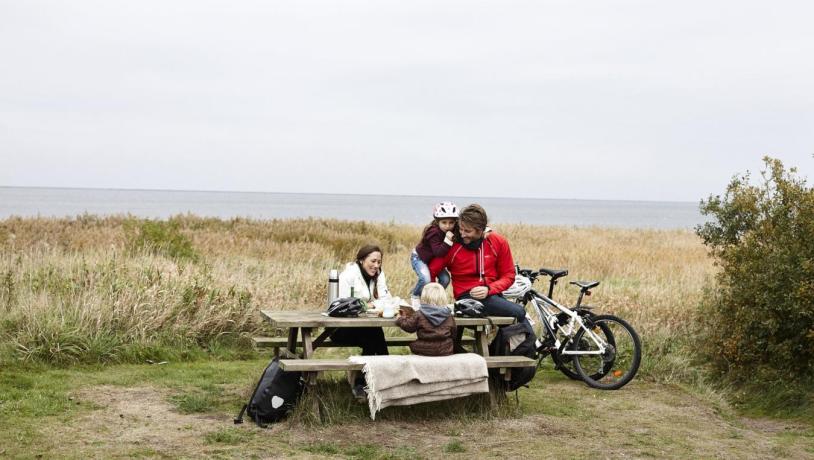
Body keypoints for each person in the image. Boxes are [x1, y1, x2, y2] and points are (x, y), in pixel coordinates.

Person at [442, 204, 532, 332]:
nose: (462, 234)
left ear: (481, 230)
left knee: (520, 320)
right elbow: (434, 266)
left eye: (467, 231)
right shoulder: (452, 244)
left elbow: (509, 275)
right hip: (466, 297)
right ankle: (522, 350)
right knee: (519, 312)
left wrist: (489, 289)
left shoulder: (498, 242)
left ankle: (504, 350)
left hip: (492, 294)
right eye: (461, 229)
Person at [331, 244, 390, 398]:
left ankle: (364, 381)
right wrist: (368, 304)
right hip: (340, 329)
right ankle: (383, 378)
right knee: (374, 335)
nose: (376, 265)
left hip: (365, 327)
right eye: (373, 261)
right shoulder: (349, 275)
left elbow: (385, 299)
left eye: (379, 262)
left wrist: (370, 305)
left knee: (374, 333)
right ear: (362, 260)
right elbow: (343, 305)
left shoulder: (379, 274)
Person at [410, 201, 458, 305]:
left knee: (445, 279)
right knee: (426, 279)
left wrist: (485, 229)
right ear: (437, 221)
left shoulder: (451, 230)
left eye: (451, 222)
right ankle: (415, 295)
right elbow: (438, 252)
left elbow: (464, 228)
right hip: (419, 258)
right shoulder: (434, 232)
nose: (448, 226)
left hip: (430, 259)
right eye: (444, 222)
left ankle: (434, 297)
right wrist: (448, 240)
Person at [395, 282, 456, 357]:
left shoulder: (420, 314)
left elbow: (409, 327)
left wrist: (400, 319)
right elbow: (454, 333)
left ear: (423, 297)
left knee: (413, 345)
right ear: (443, 297)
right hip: (445, 349)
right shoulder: (448, 315)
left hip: (424, 349)